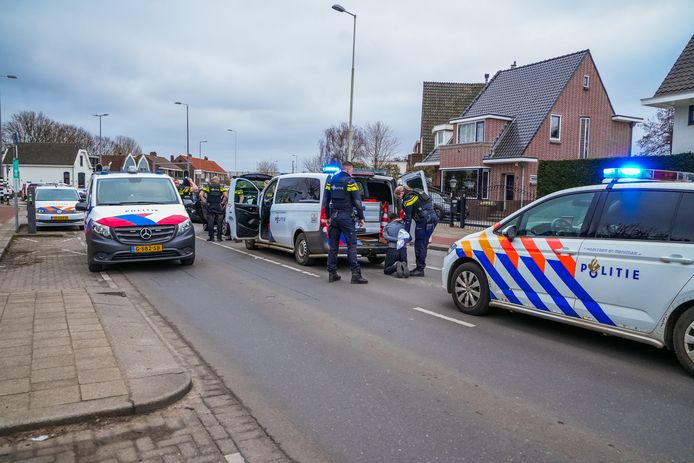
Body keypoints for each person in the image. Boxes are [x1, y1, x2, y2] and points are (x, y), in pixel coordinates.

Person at [323, 160, 368, 284]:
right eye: (352, 170)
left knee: (333, 247)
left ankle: (332, 273)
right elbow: (358, 202)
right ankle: (355, 275)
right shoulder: (350, 182)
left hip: (334, 216)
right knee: (352, 245)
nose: (352, 173)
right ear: (348, 169)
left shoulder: (330, 181)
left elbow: (326, 200)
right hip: (346, 217)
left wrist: (328, 216)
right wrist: (361, 218)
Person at [394, 184, 438, 277]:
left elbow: (409, 219)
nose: (400, 199)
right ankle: (420, 266)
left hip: (424, 220)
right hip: (432, 217)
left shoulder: (407, 198)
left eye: (399, 196)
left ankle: (419, 269)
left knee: (419, 244)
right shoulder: (416, 192)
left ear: (402, 192)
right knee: (423, 243)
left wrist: (406, 234)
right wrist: (403, 219)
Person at [199, 176, 228, 241]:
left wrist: (205, 202)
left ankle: (211, 237)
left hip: (210, 206)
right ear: (218, 180)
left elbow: (200, 195)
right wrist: (222, 202)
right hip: (218, 206)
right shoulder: (221, 187)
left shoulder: (208, 187)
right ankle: (219, 237)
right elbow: (226, 196)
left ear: (212, 181)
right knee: (219, 223)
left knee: (210, 222)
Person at [383, 213, 410, 278]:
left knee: (386, 270)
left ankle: (396, 266)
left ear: (390, 219)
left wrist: (396, 239)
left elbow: (386, 237)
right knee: (404, 264)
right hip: (403, 249)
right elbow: (409, 237)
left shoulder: (388, 226)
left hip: (392, 249)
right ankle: (403, 265)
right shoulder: (404, 226)